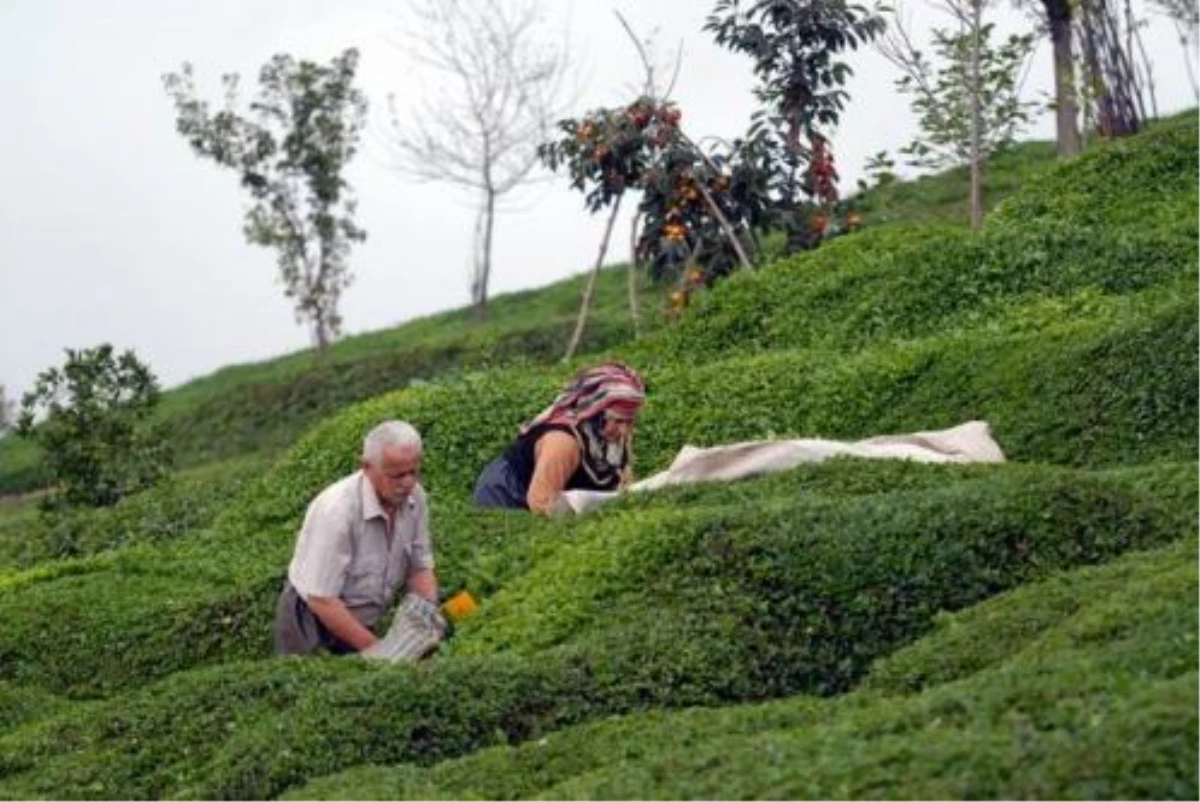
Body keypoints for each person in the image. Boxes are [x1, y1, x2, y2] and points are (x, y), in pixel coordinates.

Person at [275, 420, 439, 656]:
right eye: (397, 475)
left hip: (361, 616)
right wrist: (378, 651)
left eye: (413, 472)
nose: (408, 483)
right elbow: (322, 599)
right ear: (367, 467)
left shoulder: (416, 498)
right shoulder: (337, 511)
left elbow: (419, 568)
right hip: (311, 622)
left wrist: (428, 619)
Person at [473, 361, 647, 513]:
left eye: (630, 421)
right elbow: (541, 503)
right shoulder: (563, 443)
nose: (624, 430)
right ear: (596, 415)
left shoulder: (613, 434)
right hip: (506, 496)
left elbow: (623, 485)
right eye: (617, 421)